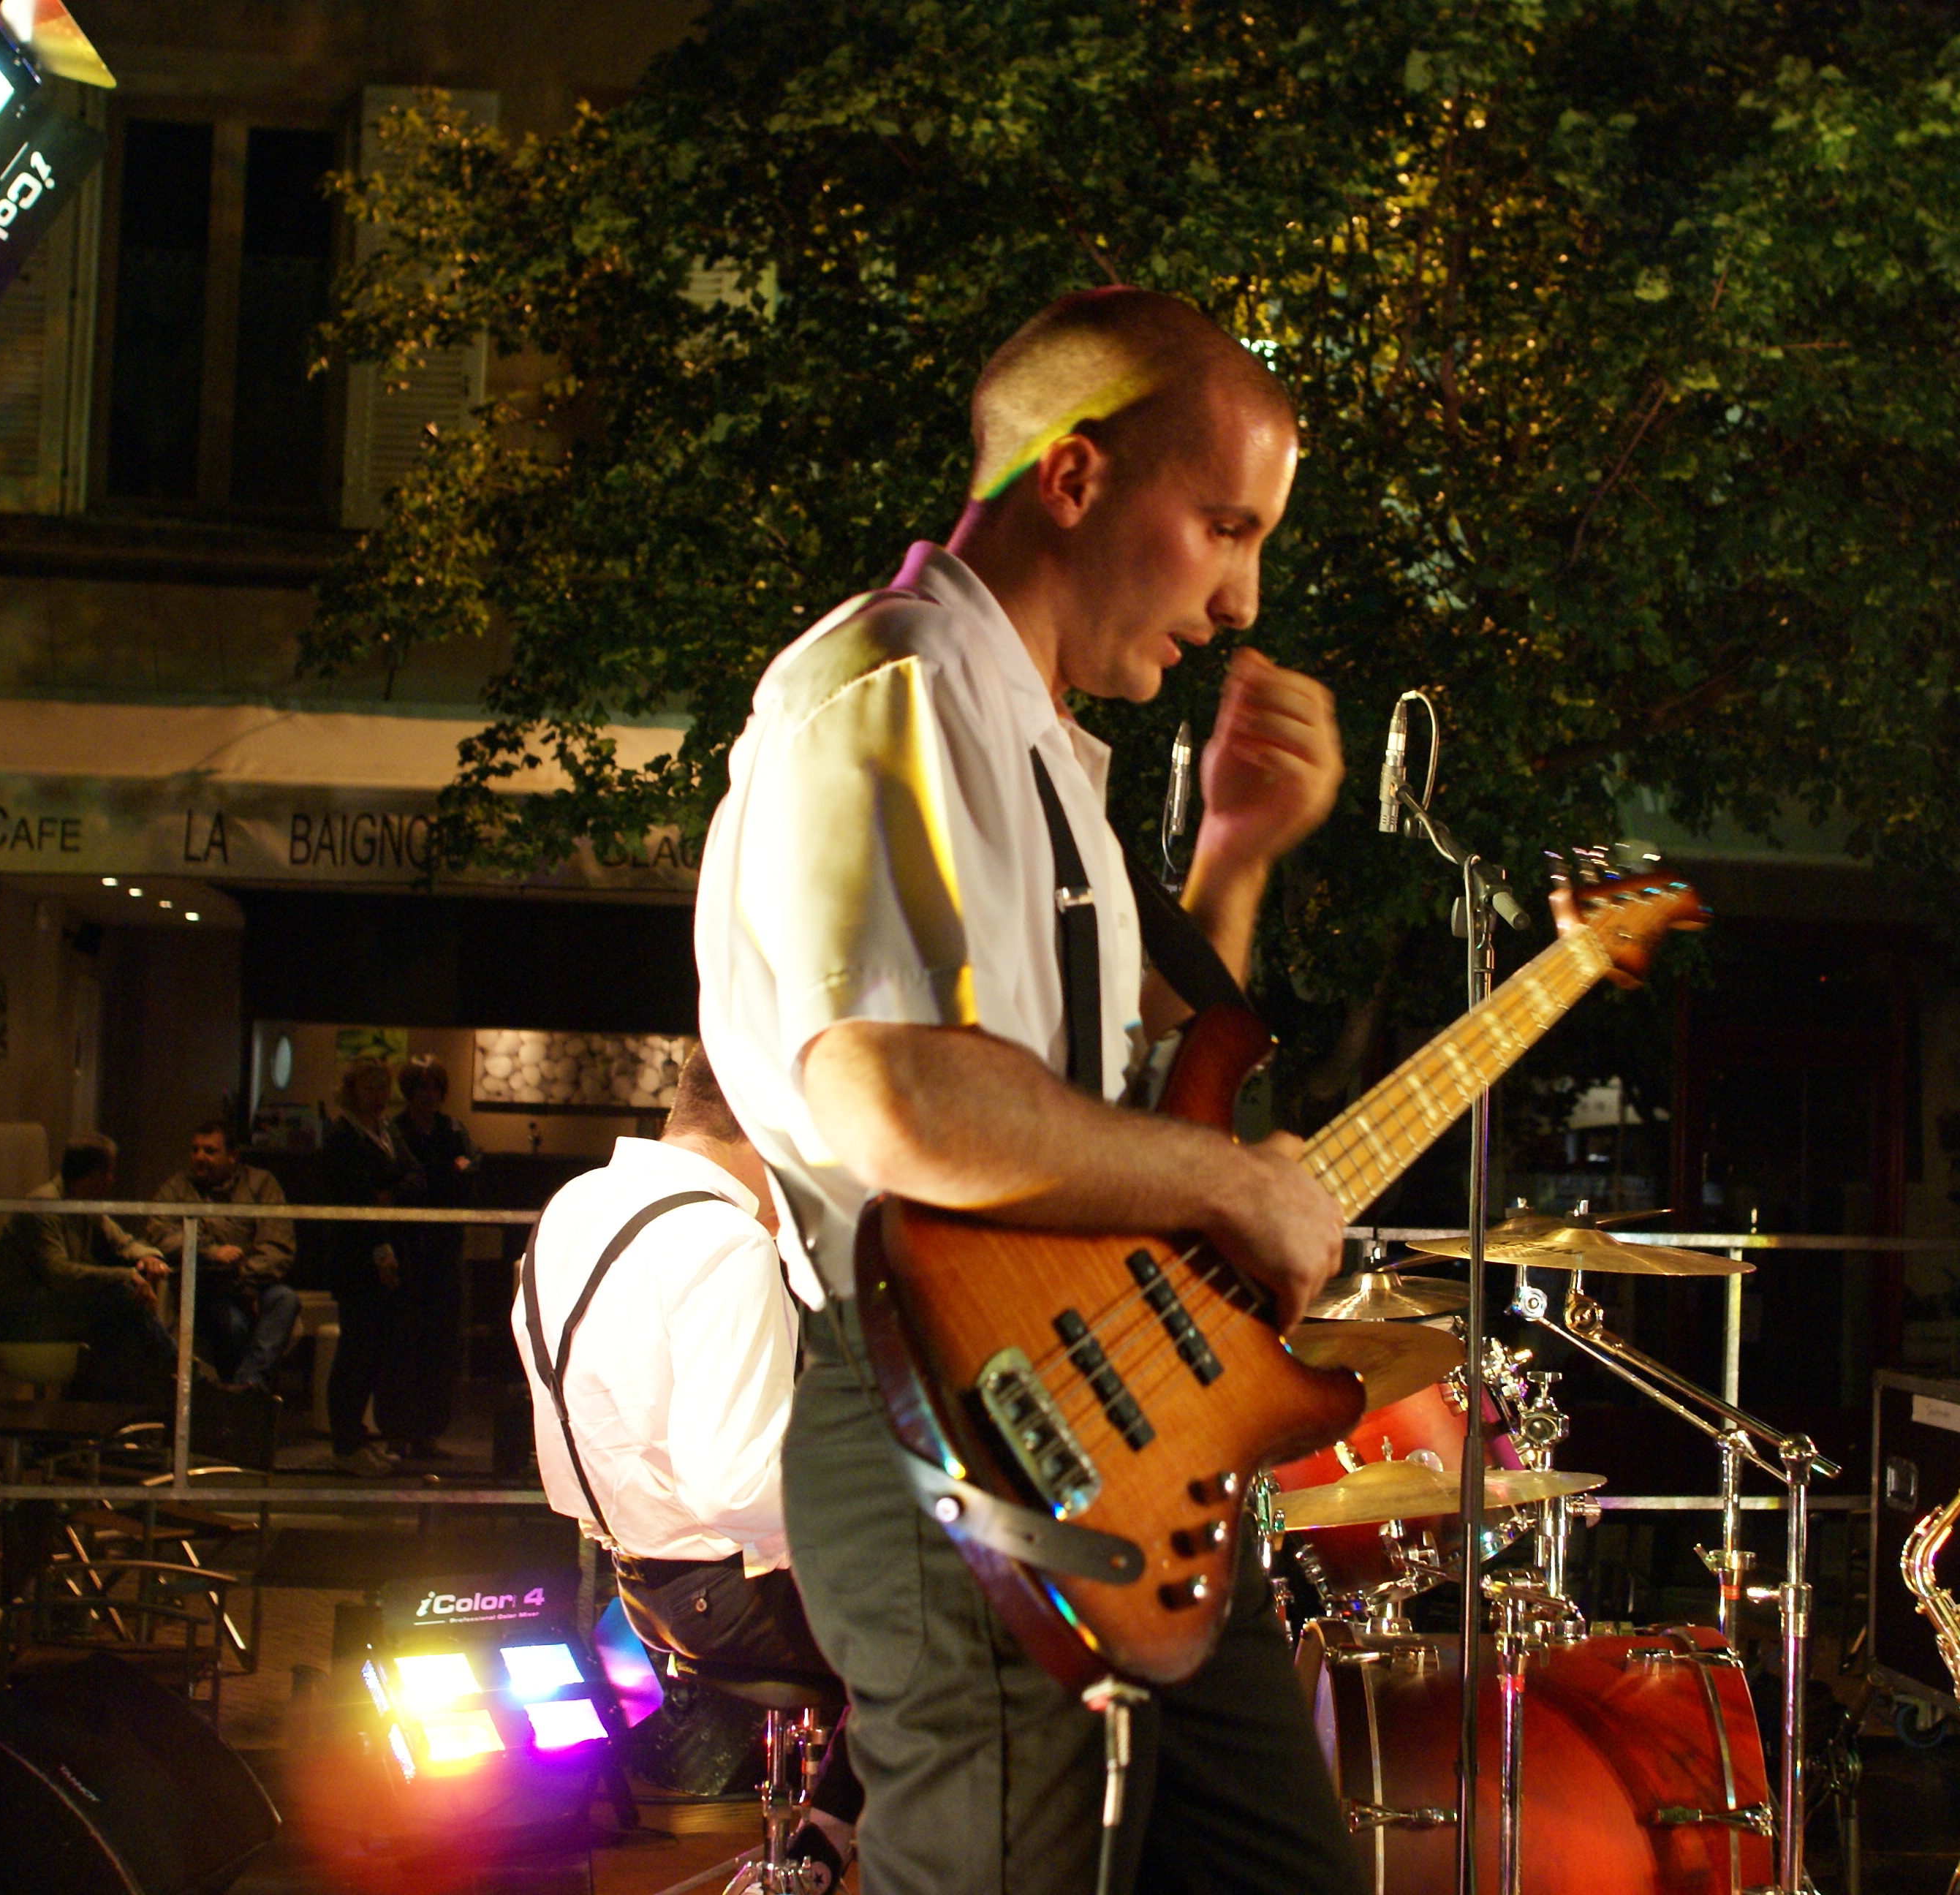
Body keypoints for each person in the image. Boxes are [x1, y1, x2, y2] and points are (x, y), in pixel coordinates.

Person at [694, 287, 1360, 1892]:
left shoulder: (1028, 731)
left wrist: (1229, 861)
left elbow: (1110, 1109)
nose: (1242, 600)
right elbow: (904, 1103)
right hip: (941, 1415)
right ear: (1072, 478)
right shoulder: (896, 685)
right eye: (1224, 528)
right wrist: (1236, 1188)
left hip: (1090, 1407)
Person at [515, 1048, 861, 1893]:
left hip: (639, 1589)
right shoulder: (722, 1240)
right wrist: (882, 1483)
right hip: (735, 1601)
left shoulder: (575, 1205)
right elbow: (736, 1486)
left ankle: (816, 1847)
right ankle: (828, 1847)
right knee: (985, 1620)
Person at [0, 1135, 181, 1404]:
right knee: (121, 1301)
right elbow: (58, 1273)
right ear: (94, 1176)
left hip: (52, 1306)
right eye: (109, 1172)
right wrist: (127, 1276)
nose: (112, 1180)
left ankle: (114, 1405)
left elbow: (123, 1243)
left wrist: (149, 1258)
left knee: (121, 1329)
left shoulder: (82, 1204)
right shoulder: (44, 1206)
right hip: (19, 1314)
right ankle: (178, 1373)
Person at [320, 1057, 425, 1478]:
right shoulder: (342, 1136)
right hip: (358, 1256)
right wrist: (380, 1250)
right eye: (370, 1087)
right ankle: (345, 1444)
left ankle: (360, 1438)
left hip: (393, 1249)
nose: (379, 1095)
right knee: (356, 1352)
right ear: (352, 1091)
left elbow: (417, 1177)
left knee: (376, 1351)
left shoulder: (387, 1131)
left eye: (384, 1087)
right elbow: (355, 1198)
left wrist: (391, 1193)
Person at [144, 1121, 300, 1393]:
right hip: (207, 1287)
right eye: (195, 1150)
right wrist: (211, 1252)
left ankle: (249, 1383)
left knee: (286, 1300)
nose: (199, 1157)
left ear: (232, 1155)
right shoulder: (178, 1188)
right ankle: (233, 1389)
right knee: (231, 1323)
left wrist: (244, 1276)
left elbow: (278, 1246)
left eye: (210, 1151)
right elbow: (160, 1233)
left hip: (254, 1283)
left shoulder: (261, 1184)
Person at [387, 1054, 482, 1461]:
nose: (428, 1094)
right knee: (403, 1342)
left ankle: (428, 1433)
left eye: (434, 1087)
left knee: (440, 1343)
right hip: (408, 1246)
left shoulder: (452, 1129)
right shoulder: (395, 1130)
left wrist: (462, 1170)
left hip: (444, 1247)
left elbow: (471, 1171)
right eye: (421, 1086)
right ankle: (398, 1433)